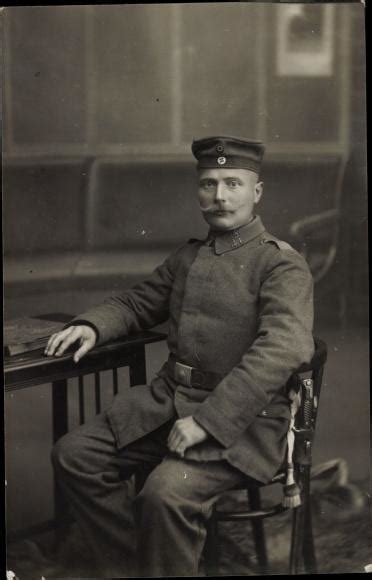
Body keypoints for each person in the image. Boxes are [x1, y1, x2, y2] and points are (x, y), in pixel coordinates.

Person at [46, 136, 314, 577]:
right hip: (169, 405)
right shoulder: (188, 257)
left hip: (240, 423)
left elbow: (284, 346)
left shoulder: (281, 265)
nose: (220, 196)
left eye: (233, 183)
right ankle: (136, 566)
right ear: (198, 192)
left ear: (256, 192)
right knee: (75, 455)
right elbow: (136, 303)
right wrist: (91, 325)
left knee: (163, 495)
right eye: (209, 184)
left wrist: (208, 421)